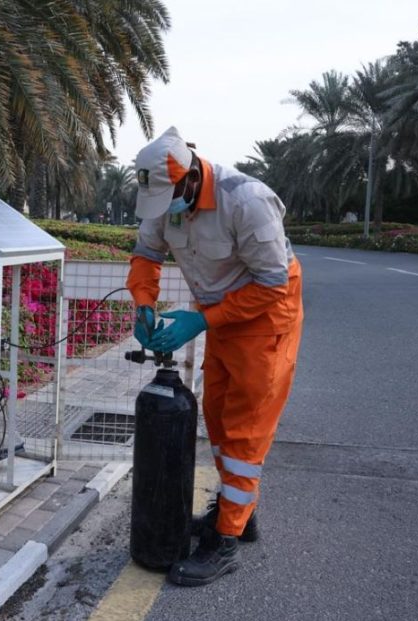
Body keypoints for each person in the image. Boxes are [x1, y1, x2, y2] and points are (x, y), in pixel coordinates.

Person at [126, 126, 304, 587]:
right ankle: (239, 512)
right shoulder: (164, 200)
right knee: (219, 417)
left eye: (167, 199)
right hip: (222, 317)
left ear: (190, 178)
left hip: (266, 321)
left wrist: (201, 321)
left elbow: (272, 284)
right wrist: (143, 303)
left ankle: (225, 541)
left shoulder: (245, 200)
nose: (162, 211)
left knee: (245, 429)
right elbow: (146, 255)